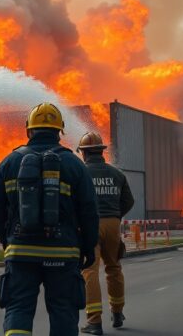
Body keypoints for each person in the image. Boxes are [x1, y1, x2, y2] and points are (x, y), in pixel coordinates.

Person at [0, 102, 99, 336]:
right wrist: (88, 247)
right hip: (63, 252)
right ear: (60, 131)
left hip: (20, 252)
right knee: (63, 310)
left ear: (29, 130)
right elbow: (89, 211)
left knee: (18, 308)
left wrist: (7, 241)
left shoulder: (8, 163)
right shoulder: (74, 165)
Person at [77, 131, 135, 335]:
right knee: (114, 267)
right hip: (113, 224)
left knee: (89, 271)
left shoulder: (80, 173)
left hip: (90, 225)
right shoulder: (117, 174)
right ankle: (117, 313)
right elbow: (129, 201)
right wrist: (116, 215)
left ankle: (94, 322)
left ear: (84, 153)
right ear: (101, 152)